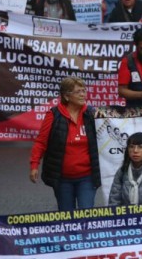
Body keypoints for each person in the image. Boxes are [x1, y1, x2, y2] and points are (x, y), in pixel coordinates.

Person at [29, 77, 100, 210]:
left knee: (87, 214)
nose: (82, 94)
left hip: (88, 177)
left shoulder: (92, 113)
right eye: (78, 91)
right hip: (62, 178)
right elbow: (40, 142)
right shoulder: (53, 115)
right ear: (67, 96)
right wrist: (34, 165)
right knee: (67, 217)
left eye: (84, 91)